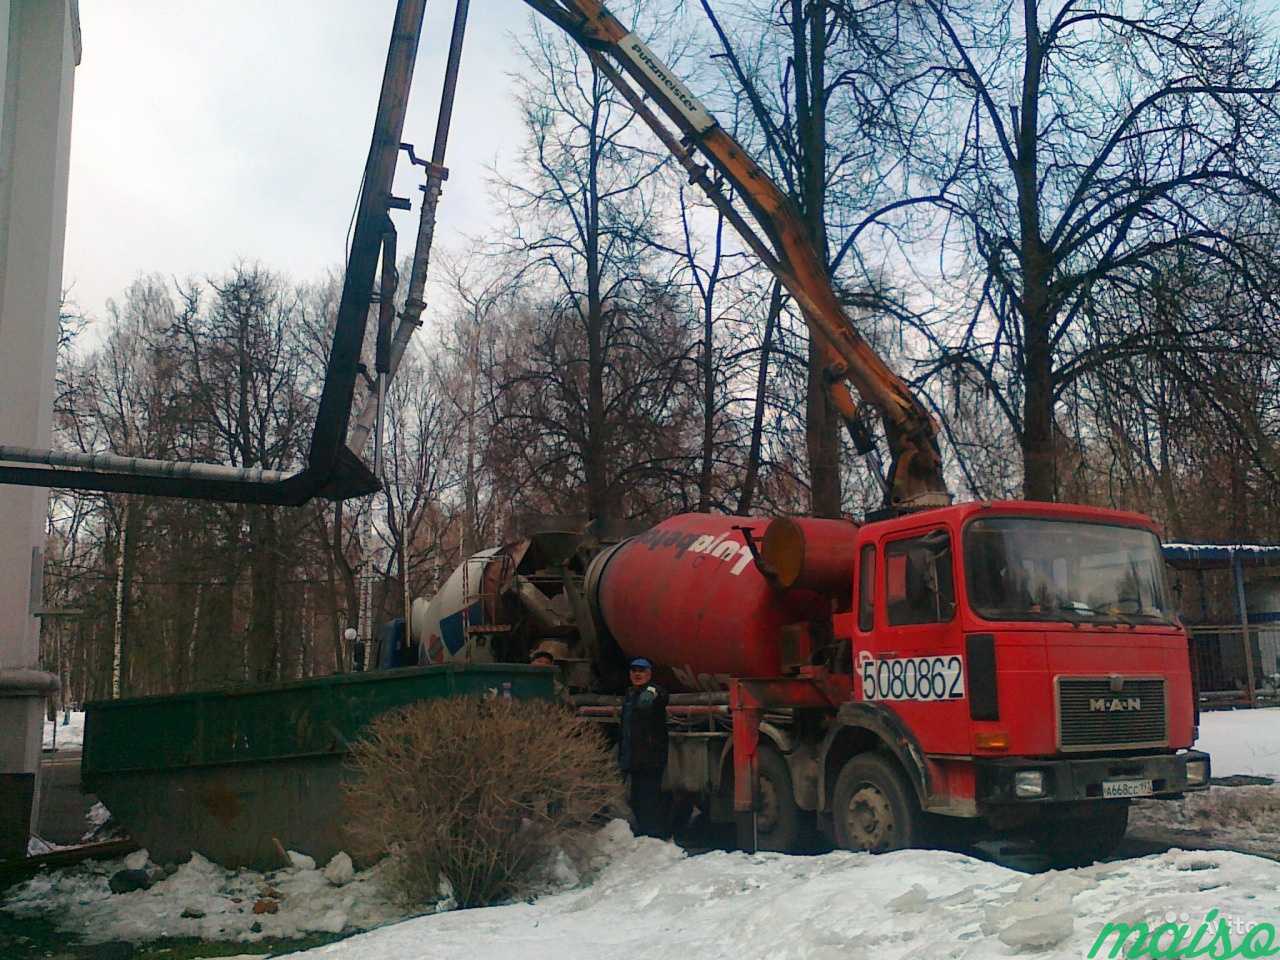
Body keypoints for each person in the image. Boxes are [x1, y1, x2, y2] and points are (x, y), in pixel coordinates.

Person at [619, 656, 669, 838]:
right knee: (637, 800)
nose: (637, 674)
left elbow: (660, 695)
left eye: (642, 671)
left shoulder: (653, 691)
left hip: (649, 759)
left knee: (649, 800)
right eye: (634, 671)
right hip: (633, 758)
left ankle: (653, 836)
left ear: (649, 674)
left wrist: (651, 692)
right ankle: (643, 835)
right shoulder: (630, 695)